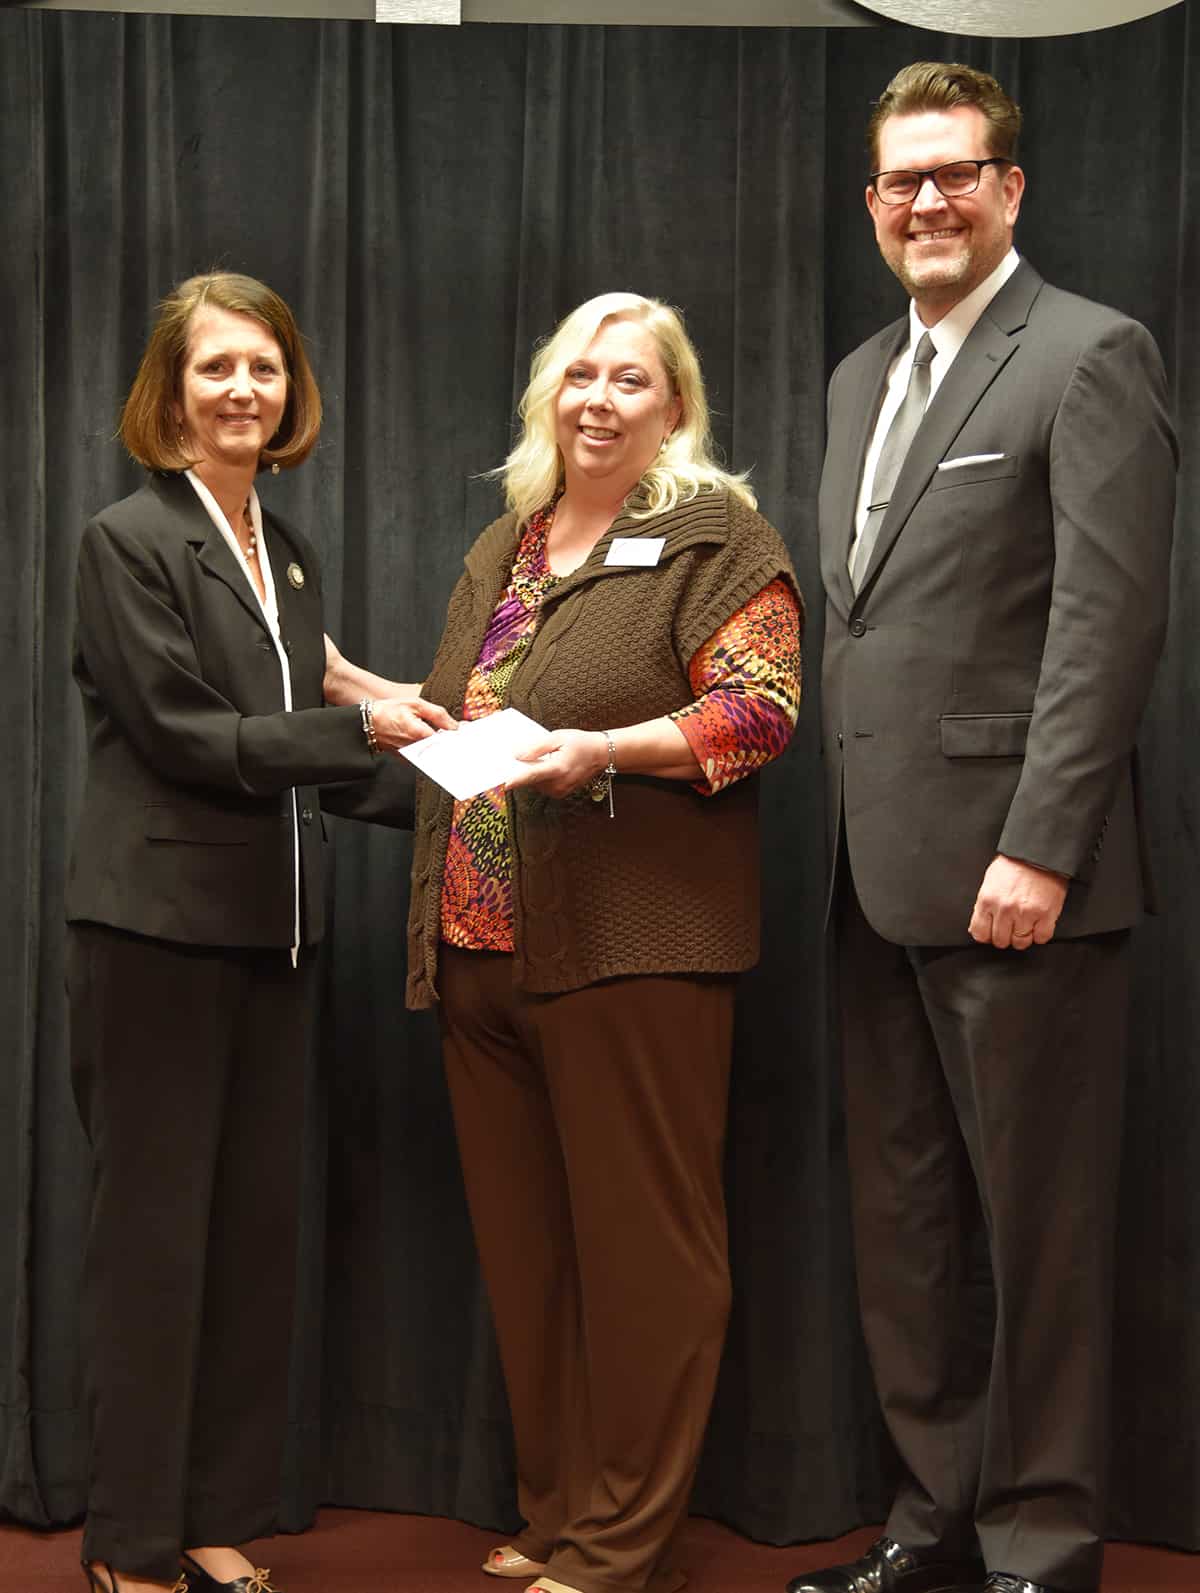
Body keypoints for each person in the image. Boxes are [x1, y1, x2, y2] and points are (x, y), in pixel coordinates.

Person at [325, 291, 802, 1593]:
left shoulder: (716, 533)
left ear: (677, 405)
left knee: (648, 1256)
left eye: (631, 379)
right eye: (580, 375)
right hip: (480, 950)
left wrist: (607, 751)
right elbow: (472, 729)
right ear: (551, 395)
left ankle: (620, 1544)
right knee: (533, 1255)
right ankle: (557, 1510)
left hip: (631, 952)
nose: (600, 398)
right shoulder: (509, 544)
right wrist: (356, 694)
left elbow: (760, 712)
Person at [786, 63, 1176, 1593]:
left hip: (1024, 883)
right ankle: (930, 1524)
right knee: (909, 1229)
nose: (929, 201)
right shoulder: (851, 378)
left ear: (1011, 188)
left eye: (959, 173)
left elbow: (1107, 625)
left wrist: (1043, 844)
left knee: (1041, 1239)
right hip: (870, 883)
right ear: (872, 208)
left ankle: (1042, 1543)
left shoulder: (1088, 355)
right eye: (903, 181)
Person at [66, 271, 451, 1593]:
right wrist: (365, 721)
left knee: (245, 1243)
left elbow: (306, 759)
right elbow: (186, 737)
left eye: (267, 368)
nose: (246, 389)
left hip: (274, 940)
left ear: (295, 391)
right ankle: (128, 1538)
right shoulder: (127, 539)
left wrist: (463, 794)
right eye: (219, 366)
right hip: (159, 937)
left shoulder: (282, 548)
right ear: (169, 393)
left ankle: (211, 1512)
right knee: (158, 1245)